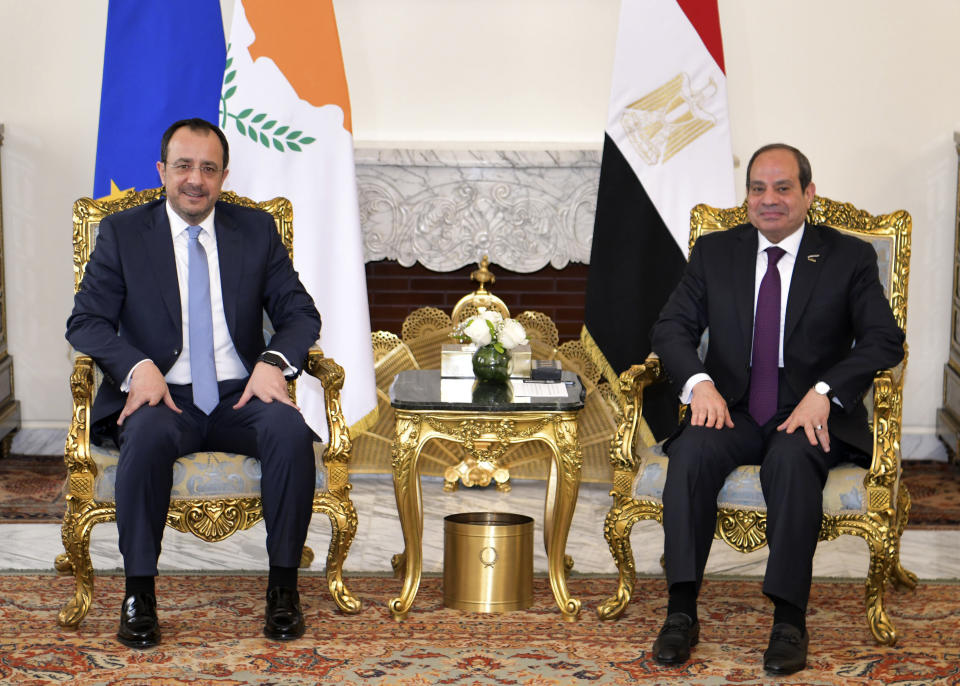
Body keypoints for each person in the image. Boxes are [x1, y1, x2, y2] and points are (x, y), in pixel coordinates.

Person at [648, 144, 905, 674]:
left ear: (808, 194)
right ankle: (680, 612)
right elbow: (671, 328)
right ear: (746, 197)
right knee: (692, 451)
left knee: (791, 461)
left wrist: (825, 392)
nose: (770, 200)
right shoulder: (716, 252)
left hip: (807, 411)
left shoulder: (847, 257)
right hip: (734, 407)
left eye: (783, 188)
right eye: (758, 189)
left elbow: (885, 340)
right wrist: (698, 383)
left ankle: (789, 620)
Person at [66, 118, 322, 648]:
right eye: (183, 166)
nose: (195, 179)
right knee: (147, 436)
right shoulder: (123, 234)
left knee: (290, 433)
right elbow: (85, 322)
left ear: (224, 175)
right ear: (162, 171)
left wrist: (274, 361)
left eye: (208, 168)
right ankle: (139, 593)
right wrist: (137, 368)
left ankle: (283, 590)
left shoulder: (254, 230)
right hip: (164, 395)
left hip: (240, 393)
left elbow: (300, 314)